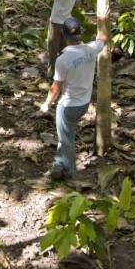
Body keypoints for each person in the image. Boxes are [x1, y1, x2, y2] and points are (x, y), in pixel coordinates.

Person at [40, 13, 110, 181]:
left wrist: (46, 105)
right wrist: (101, 21)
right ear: (80, 33)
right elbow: (103, 38)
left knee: (66, 139)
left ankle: (69, 172)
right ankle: (58, 163)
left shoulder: (63, 59)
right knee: (64, 136)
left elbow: (55, 88)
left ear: (64, 35)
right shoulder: (91, 49)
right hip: (84, 103)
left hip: (68, 106)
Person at [38, 0, 81, 78]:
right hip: (67, 22)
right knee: (64, 51)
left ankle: (51, 75)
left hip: (56, 23)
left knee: (52, 51)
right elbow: (78, 3)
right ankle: (64, 74)